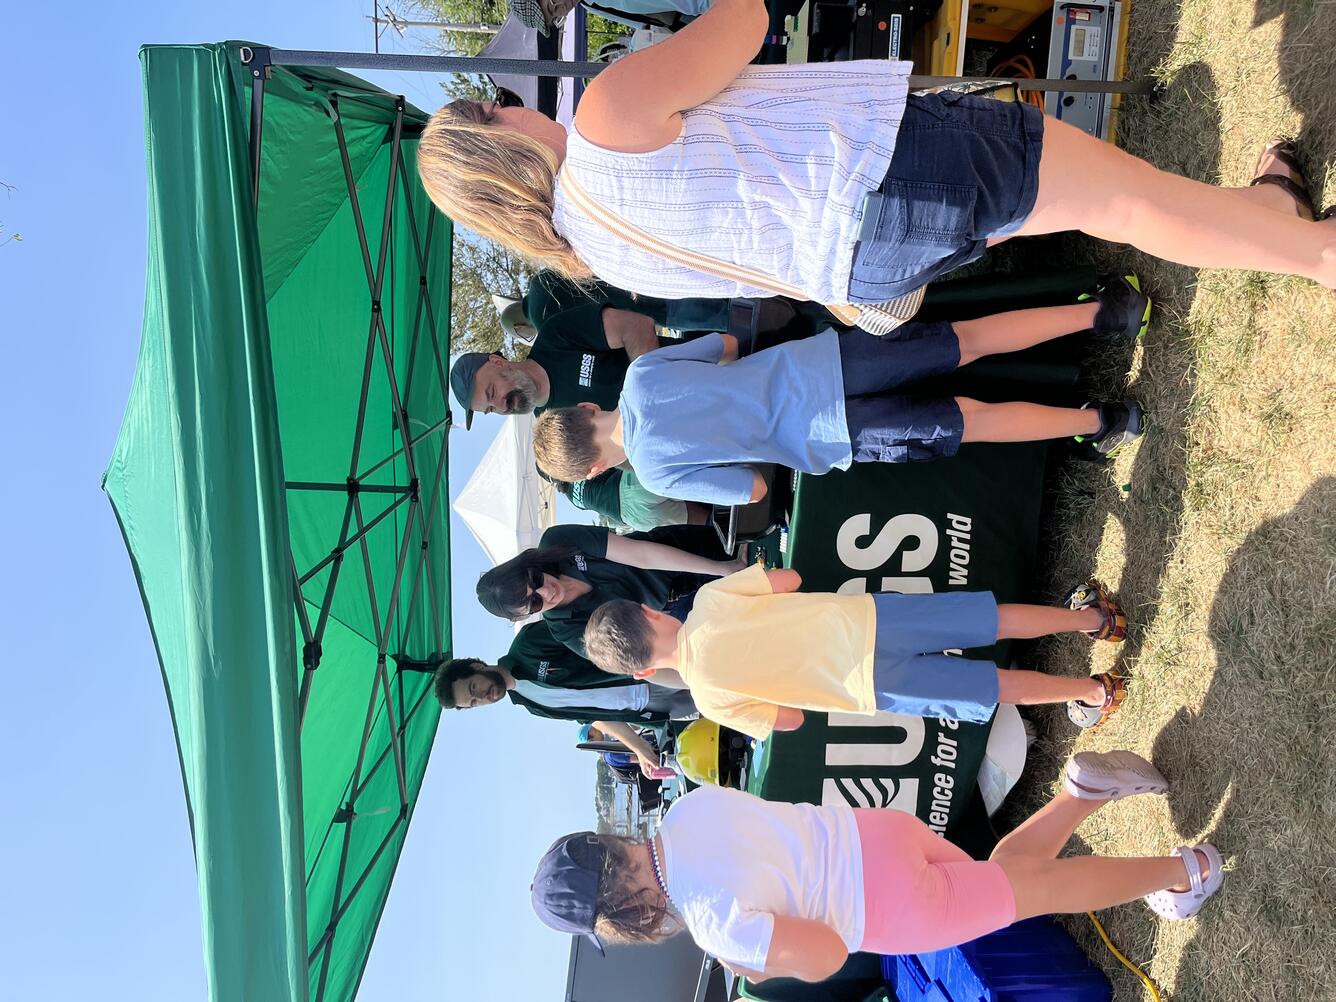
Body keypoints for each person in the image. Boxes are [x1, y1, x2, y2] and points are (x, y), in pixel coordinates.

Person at [418, 0, 1336, 313]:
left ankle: (1272, 215)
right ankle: (1317, 254)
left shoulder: (595, 258)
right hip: (882, 167)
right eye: (498, 112)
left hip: (871, 258)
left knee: (1097, 201)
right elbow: (744, 21)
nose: (518, 109)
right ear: (497, 145)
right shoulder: (602, 122)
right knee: (1122, 202)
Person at [529, 767, 1223, 981]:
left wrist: (763, 970)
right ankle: (1084, 793)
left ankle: (1186, 870)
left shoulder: (714, 926)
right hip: (873, 833)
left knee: (1036, 894)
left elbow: (829, 955)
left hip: (885, 908)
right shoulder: (687, 808)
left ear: (614, 916)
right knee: (1002, 884)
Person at [531, 295, 1149, 505]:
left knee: (974, 421)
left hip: (829, 435)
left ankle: (1104, 420)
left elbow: (753, 490)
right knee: (969, 340)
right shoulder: (640, 374)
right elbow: (725, 344)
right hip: (819, 362)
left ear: (594, 468)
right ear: (585, 411)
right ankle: (1106, 313)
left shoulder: (657, 476)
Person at [583, 564, 1130, 732]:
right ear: (650, 612)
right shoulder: (708, 599)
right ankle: (1093, 619)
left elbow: (790, 721)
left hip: (862, 686)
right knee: (987, 621)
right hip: (867, 620)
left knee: (991, 687)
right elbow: (790, 580)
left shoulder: (709, 700)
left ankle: (1093, 692)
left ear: (644, 672)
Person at [450, 270, 830, 426]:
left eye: (491, 392)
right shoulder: (553, 424)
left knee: (810, 340)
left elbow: (636, 327)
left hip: (725, 366)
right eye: (491, 409)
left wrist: (652, 393)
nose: (501, 406)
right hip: (714, 421)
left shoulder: (555, 337)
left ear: (497, 361)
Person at [476, 523, 744, 655]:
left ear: (529, 565)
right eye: (534, 602)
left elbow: (641, 555)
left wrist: (721, 569)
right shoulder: (565, 629)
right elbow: (630, 650)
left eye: (535, 580)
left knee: (751, 548)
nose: (546, 592)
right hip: (674, 606)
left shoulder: (556, 541)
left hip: (676, 550)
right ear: (527, 616)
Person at [433, 655, 695, 776]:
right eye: (474, 702)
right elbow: (592, 716)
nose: (482, 697)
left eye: (473, 688)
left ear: (476, 666)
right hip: (653, 711)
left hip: (652, 671)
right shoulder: (532, 705)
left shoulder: (527, 646)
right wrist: (638, 747)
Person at [555, 466, 711, 531]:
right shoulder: (575, 467)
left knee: (701, 519)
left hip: (632, 517)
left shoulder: (574, 501)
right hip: (629, 485)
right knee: (701, 480)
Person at [509, 0, 707, 37]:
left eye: (551, 3)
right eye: (554, 14)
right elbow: (645, 22)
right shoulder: (587, 4)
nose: (561, 7)